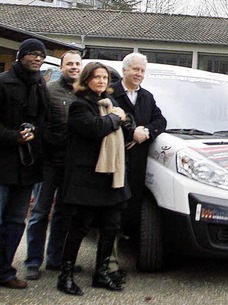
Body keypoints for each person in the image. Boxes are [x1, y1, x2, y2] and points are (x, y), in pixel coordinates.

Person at [57, 62, 134, 295]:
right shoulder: (80, 105)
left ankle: (101, 274)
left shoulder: (112, 103)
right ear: (86, 79)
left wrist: (125, 119)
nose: (102, 81)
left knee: (111, 226)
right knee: (80, 227)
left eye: (104, 78)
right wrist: (117, 118)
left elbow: (127, 126)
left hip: (111, 177)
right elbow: (96, 128)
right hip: (86, 179)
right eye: (97, 77)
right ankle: (65, 276)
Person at [24, 50, 82, 281]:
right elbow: (40, 124)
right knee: (40, 212)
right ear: (62, 66)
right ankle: (32, 262)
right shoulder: (49, 91)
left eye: (77, 64)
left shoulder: (84, 93)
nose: (74, 67)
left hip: (72, 165)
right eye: (70, 64)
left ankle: (55, 260)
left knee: (63, 214)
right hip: (49, 163)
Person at [110, 52, 167, 280]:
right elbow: (105, 119)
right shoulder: (111, 93)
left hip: (137, 165)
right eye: (135, 70)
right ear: (124, 70)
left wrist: (146, 131)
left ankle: (116, 261)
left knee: (127, 211)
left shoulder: (146, 97)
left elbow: (160, 121)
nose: (139, 74)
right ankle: (109, 265)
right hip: (115, 162)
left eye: (142, 71)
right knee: (112, 213)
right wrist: (130, 131)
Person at [0, 38, 48, 290]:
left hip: (27, 168)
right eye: (32, 54)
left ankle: (5, 272)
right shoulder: (2, 82)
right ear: (20, 56)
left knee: (16, 221)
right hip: (3, 164)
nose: (37, 58)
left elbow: (44, 119)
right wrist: (14, 136)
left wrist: (33, 131)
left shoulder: (40, 85)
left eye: (40, 55)